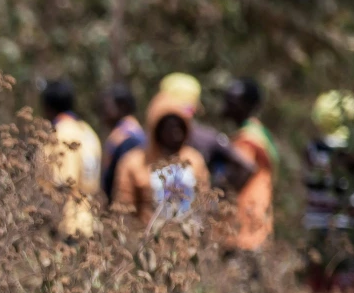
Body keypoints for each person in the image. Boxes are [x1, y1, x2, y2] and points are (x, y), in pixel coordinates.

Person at [110, 94, 208, 229]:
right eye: (170, 127)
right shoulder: (134, 162)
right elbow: (124, 207)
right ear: (156, 128)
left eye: (180, 126)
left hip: (188, 240)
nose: (176, 133)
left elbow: (204, 200)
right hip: (149, 240)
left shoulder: (194, 159)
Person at [303, 91, 354, 293]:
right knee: (347, 281)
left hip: (316, 223)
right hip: (347, 225)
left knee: (319, 282)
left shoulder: (312, 149)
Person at [37, 78, 103, 239]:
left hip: (68, 224)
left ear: (48, 107)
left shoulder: (60, 134)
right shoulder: (87, 131)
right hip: (90, 220)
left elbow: (62, 183)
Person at [220, 77, 275, 266]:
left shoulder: (248, 139)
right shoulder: (259, 133)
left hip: (244, 222)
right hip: (255, 219)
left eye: (233, 101)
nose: (226, 105)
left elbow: (242, 171)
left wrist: (215, 198)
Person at [97, 83, 143, 207]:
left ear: (122, 106)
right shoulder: (120, 133)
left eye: (106, 107)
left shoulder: (129, 138)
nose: (103, 113)